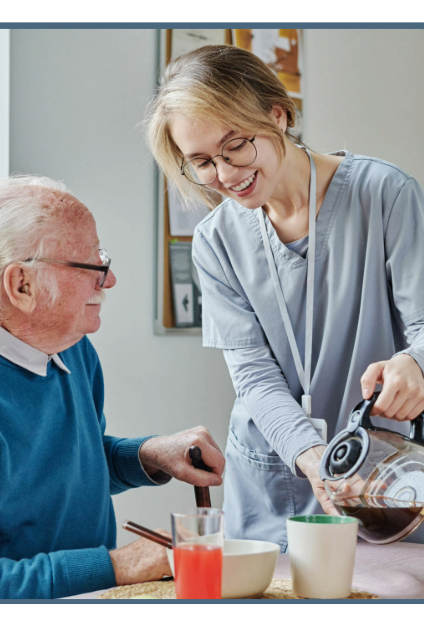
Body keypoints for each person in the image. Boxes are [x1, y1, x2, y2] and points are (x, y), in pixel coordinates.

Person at [0, 175, 225, 599]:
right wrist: (115, 566)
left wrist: (148, 455)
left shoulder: (71, 347)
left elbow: (59, 467)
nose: (110, 279)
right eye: (93, 265)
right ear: (21, 285)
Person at [143, 44, 424, 547]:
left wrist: (416, 362)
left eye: (236, 146)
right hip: (273, 478)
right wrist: (309, 454)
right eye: (203, 162)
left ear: (279, 114)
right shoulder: (216, 241)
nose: (226, 175)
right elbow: (253, 375)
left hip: (384, 471)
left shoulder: (385, 194)